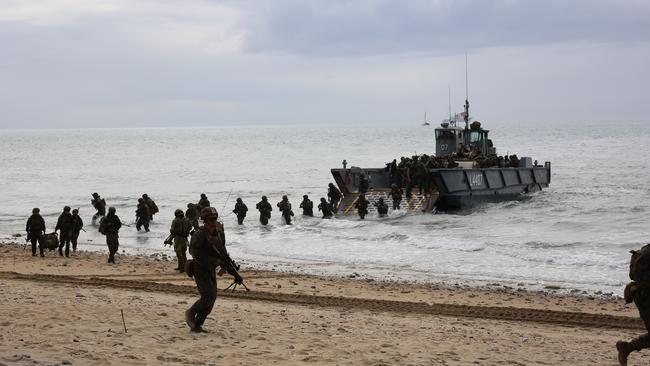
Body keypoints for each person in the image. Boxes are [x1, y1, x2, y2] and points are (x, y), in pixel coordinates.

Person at [186, 207, 227, 333]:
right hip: (200, 268)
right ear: (204, 220)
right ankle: (190, 313)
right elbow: (195, 253)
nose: (213, 221)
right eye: (210, 219)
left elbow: (222, 250)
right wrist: (214, 261)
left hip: (211, 269)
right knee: (207, 296)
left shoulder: (219, 233)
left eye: (215, 218)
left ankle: (197, 325)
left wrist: (225, 264)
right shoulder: (199, 234)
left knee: (212, 297)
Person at [617, 244, 650, 365]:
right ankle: (627, 347)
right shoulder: (646, 254)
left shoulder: (645, 251)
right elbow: (641, 278)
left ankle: (627, 347)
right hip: (645, 297)